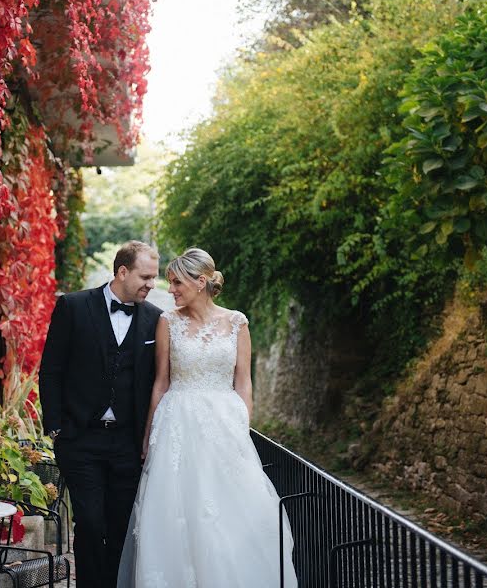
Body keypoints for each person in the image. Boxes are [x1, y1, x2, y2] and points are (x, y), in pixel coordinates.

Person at [117, 247, 298, 587]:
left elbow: (244, 382)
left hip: (223, 427)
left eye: (176, 283)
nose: (170, 290)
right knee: (178, 513)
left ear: (200, 282)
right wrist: (148, 434)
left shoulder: (236, 322)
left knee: (232, 513)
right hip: (176, 427)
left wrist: (240, 430)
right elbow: (161, 382)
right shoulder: (167, 322)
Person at [39, 241, 162, 588]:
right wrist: (56, 429)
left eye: (153, 277)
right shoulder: (73, 306)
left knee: (122, 525)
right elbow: (51, 371)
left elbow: (158, 379)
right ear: (122, 272)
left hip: (127, 441)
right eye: (146, 276)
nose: (151, 284)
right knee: (90, 523)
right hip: (80, 438)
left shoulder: (155, 319)